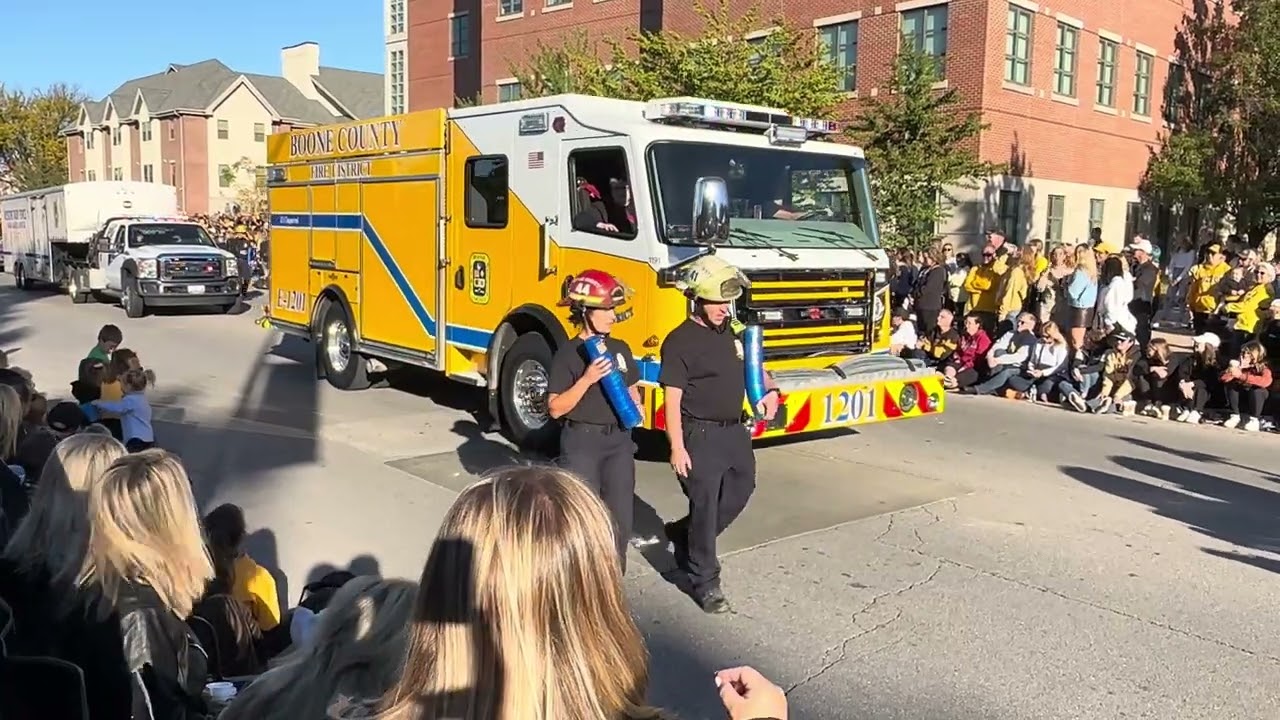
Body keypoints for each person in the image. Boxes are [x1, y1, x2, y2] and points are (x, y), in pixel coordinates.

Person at [660, 254, 778, 614]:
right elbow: (671, 399)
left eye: (727, 301)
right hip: (700, 435)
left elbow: (757, 369)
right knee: (706, 505)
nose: (724, 309)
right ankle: (705, 581)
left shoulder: (734, 333)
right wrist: (676, 447)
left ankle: (686, 533)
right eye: (717, 302)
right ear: (697, 299)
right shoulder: (679, 341)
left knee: (742, 489)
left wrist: (770, 390)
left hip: (734, 432)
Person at [546, 269, 642, 569]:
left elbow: (633, 390)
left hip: (619, 443)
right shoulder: (569, 353)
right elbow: (556, 408)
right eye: (606, 310)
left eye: (614, 309)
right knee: (582, 518)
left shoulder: (620, 349)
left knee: (620, 519)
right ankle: (581, 585)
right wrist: (588, 379)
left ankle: (613, 583)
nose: (613, 316)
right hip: (581, 443)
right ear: (585, 312)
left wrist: (635, 400)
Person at [92, 366, 156, 451]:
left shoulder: (131, 400)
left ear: (128, 386)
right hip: (148, 436)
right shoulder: (141, 398)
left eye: (121, 383)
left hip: (136, 438)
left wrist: (99, 403)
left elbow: (118, 407)